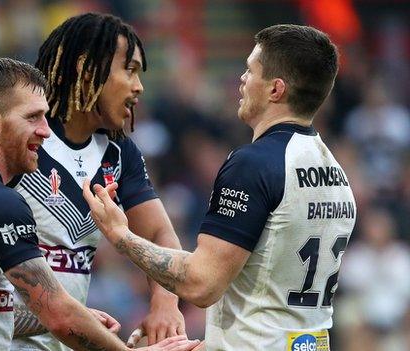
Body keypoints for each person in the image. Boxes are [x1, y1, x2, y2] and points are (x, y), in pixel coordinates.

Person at [0, 57, 199, 351]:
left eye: (45, 116)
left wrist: (79, 318)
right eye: (33, 117)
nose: (45, 131)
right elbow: (60, 317)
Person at [83, 24, 357, 351]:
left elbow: (202, 284)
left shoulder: (253, 164)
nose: (241, 80)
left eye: (250, 70)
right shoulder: (335, 171)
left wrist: (121, 236)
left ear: (276, 90)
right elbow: (273, 292)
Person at [9, 13, 186, 351]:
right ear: (87, 69)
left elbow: (159, 235)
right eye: (130, 70)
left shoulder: (120, 155)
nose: (139, 86)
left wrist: (164, 303)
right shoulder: (23, 140)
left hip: (66, 338)